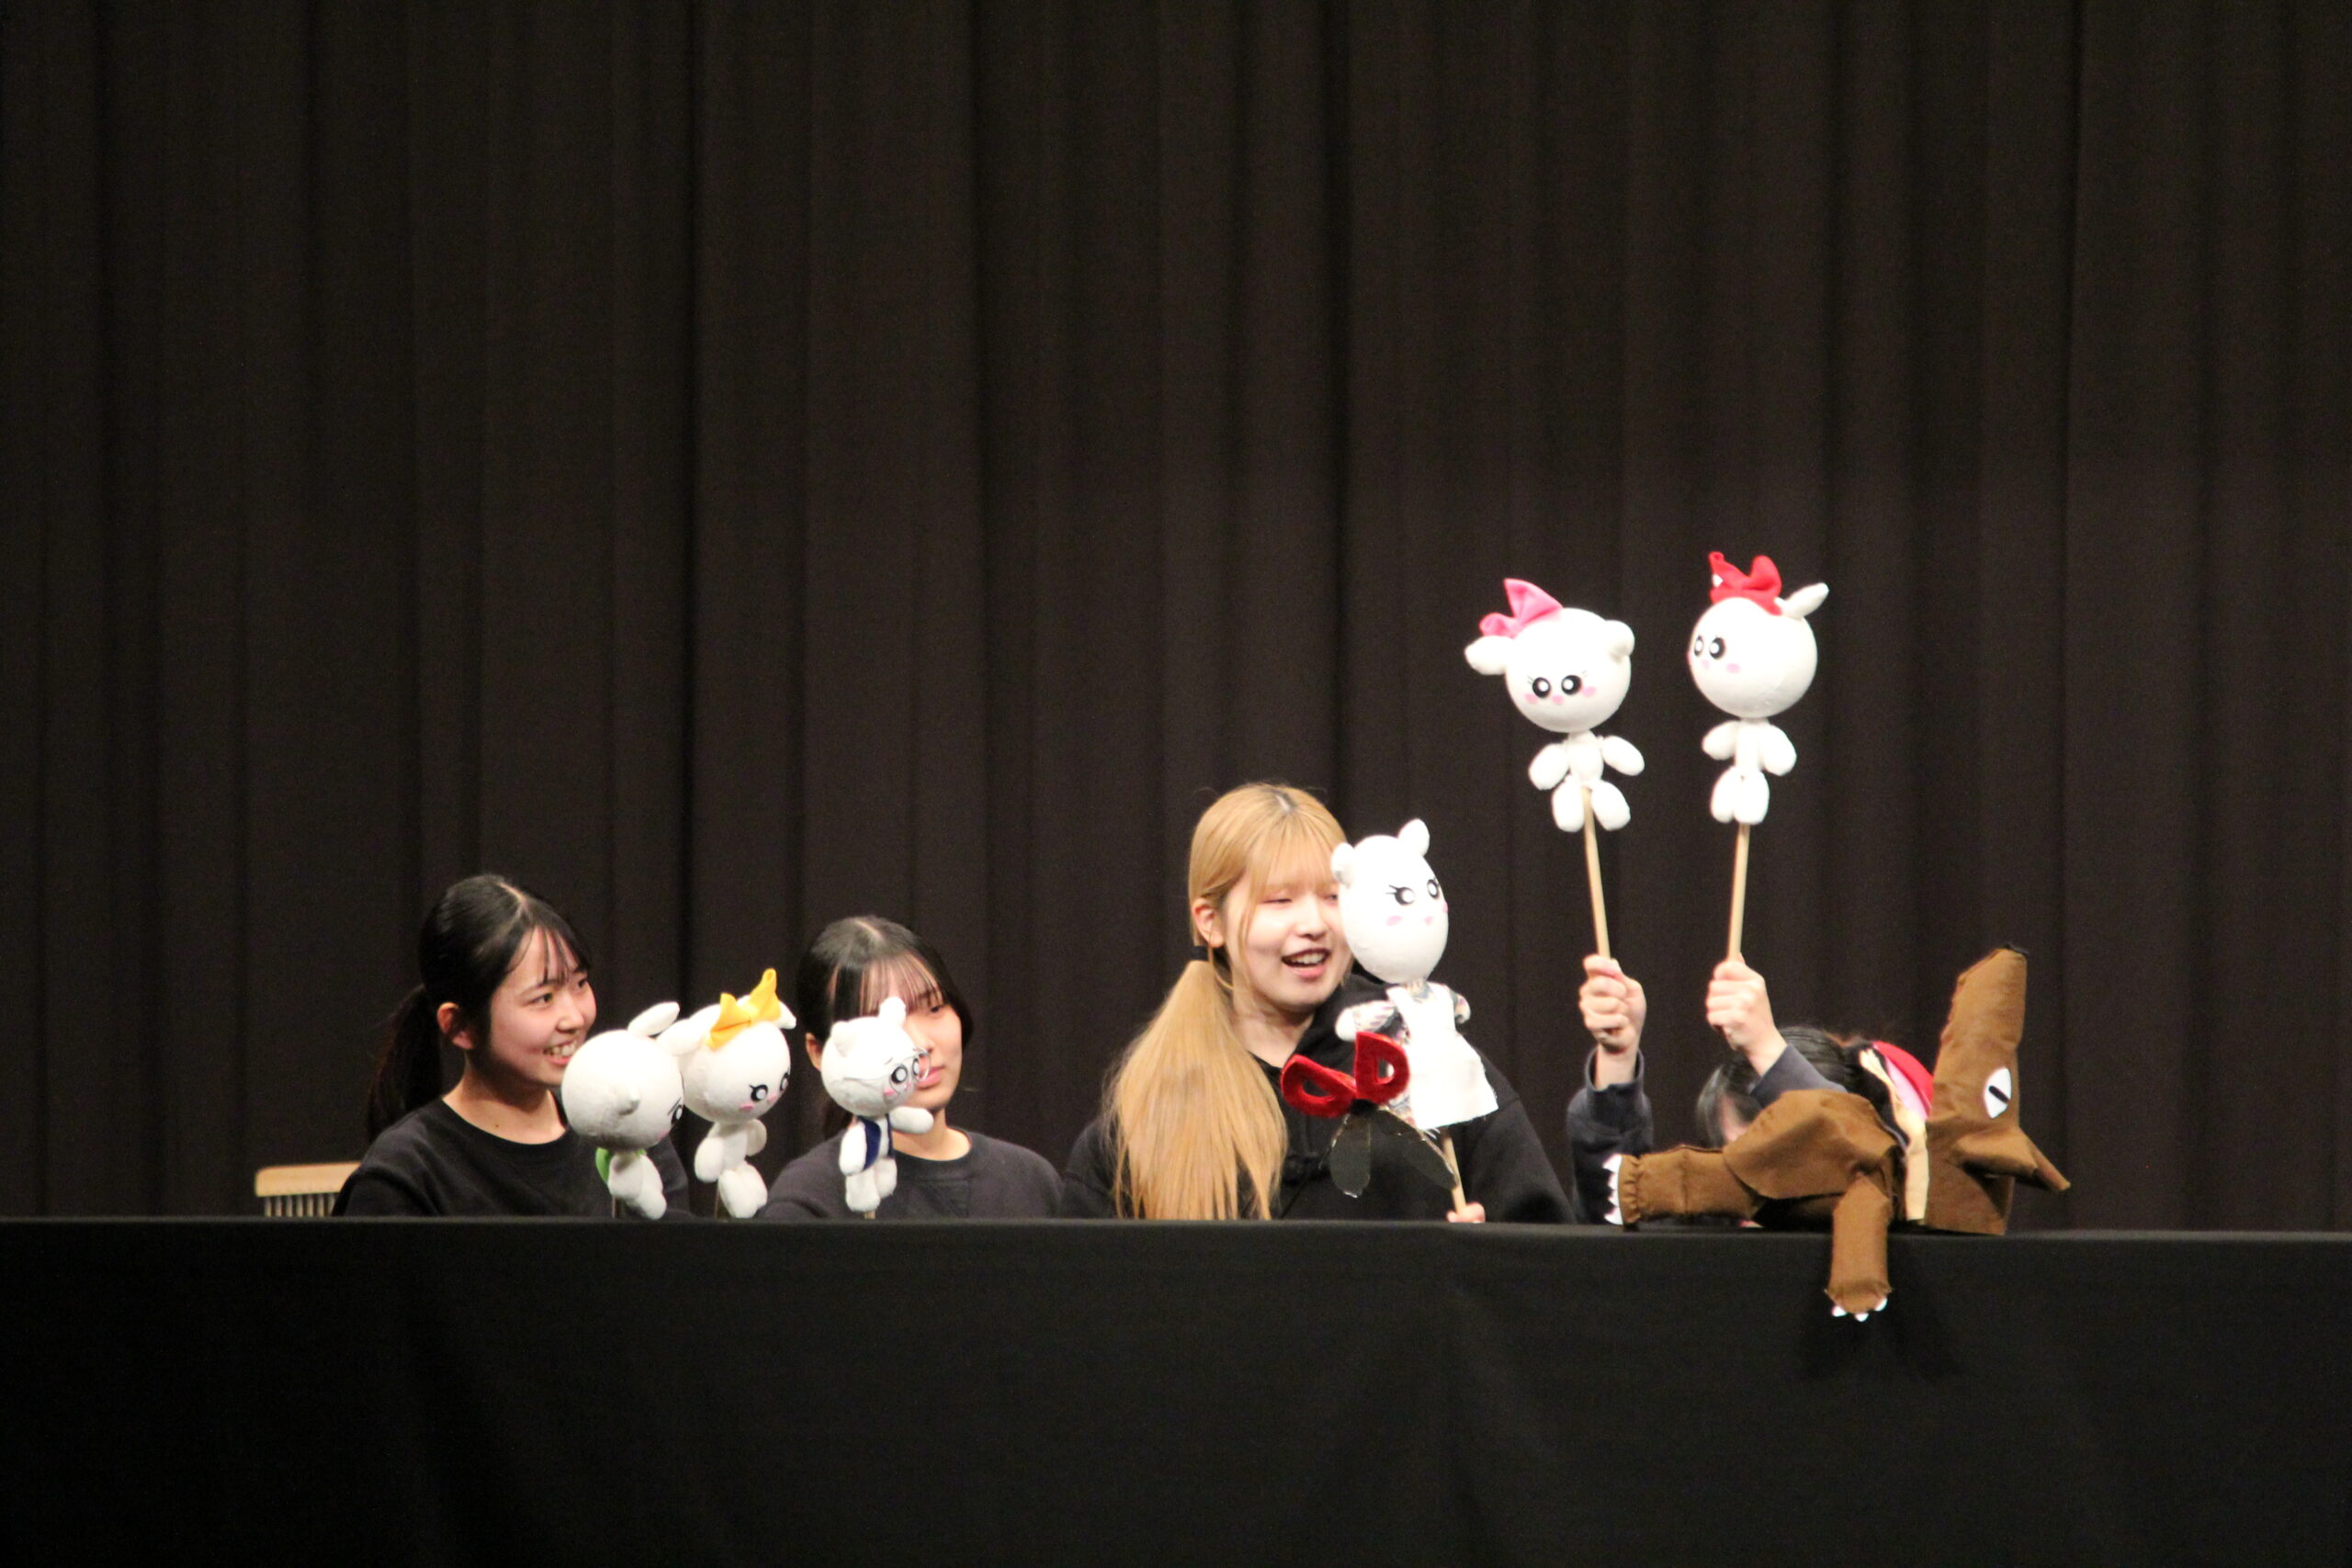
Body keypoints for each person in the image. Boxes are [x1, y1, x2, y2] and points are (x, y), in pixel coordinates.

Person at [1061, 783, 1570, 1222]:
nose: (1314, 924)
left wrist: (1481, 1260)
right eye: (1280, 900)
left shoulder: (1428, 1057)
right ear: (1209, 922)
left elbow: (1543, 1254)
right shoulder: (1148, 1115)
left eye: (1332, 897)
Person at [336, 874, 688, 1217]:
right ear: (460, 1026)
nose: (574, 1017)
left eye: (580, 983)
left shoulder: (629, 1123)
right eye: (543, 998)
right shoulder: (405, 1174)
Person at [1565, 953, 1930, 1223]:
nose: (1758, 1185)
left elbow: (1862, 1157)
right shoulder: (1715, 1234)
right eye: (1738, 1163)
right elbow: (1616, 1213)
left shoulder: (1884, 1232)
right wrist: (1617, 1059)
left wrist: (1767, 1048)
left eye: (1782, 1165)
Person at [759, 916, 1059, 1220]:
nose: (920, 1044)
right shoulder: (808, 1200)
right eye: (881, 1022)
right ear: (819, 1052)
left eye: (935, 1008)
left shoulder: (1030, 1180)